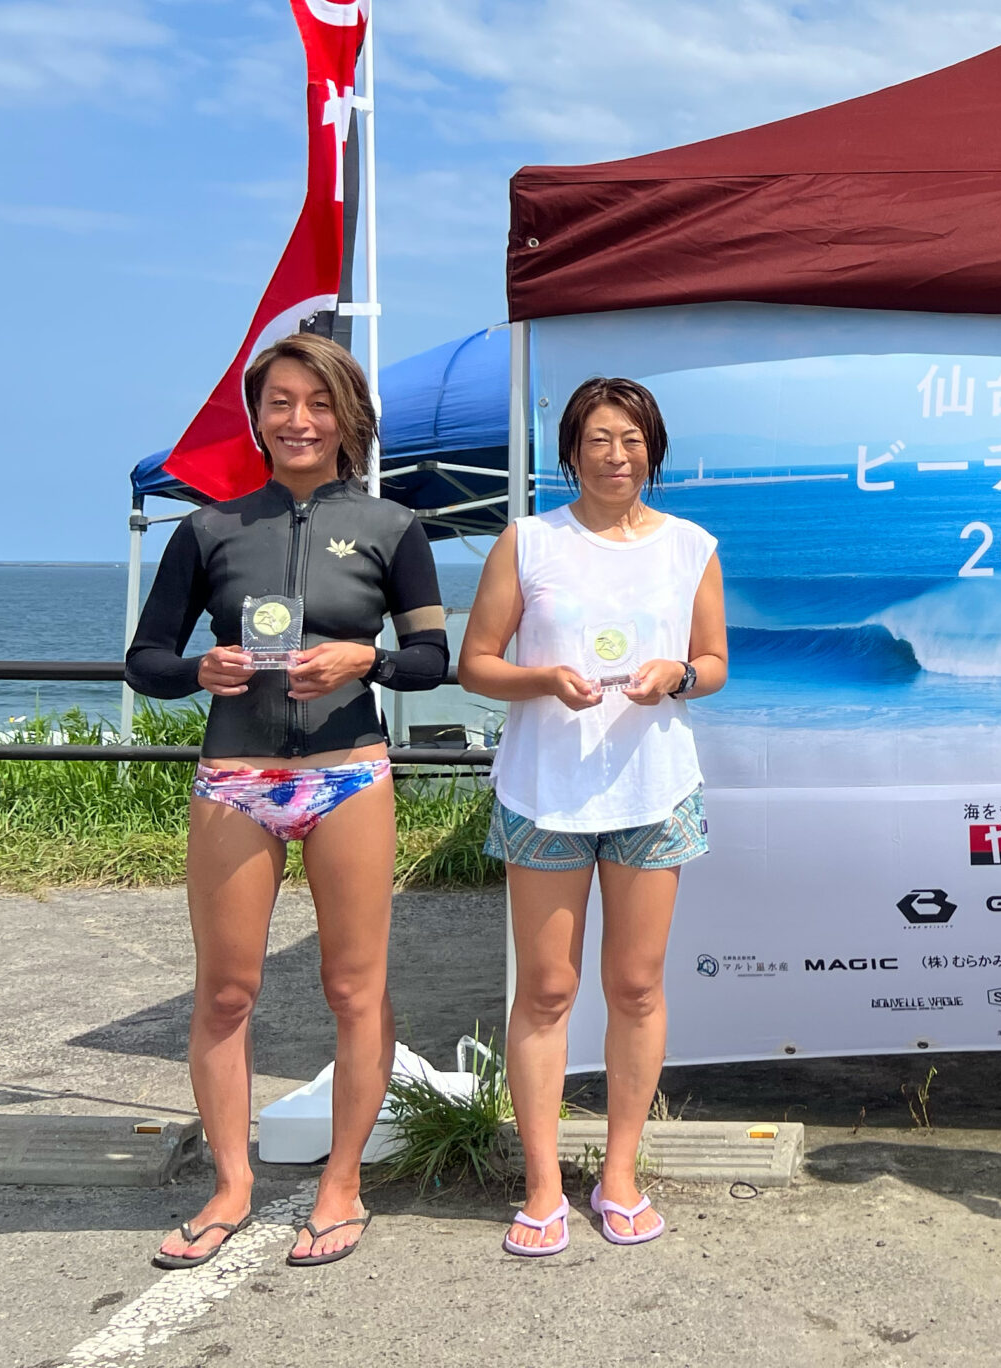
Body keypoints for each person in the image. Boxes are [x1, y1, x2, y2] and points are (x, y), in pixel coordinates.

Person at [126, 333, 449, 1270]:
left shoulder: (394, 529)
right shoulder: (209, 530)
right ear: (257, 418)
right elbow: (146, 661)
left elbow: (431, 660)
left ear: (348, 419)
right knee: (227, 991)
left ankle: (341, 1183)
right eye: (280, 402)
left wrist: (366, 659)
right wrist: (200, 669)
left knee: (354, 988)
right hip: (236, 779)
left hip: (349, 774)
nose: (299, 420)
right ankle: (231, 1185)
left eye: (318, 403)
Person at [459, 377, 728, 1258]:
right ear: (570, 451)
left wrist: (676, 676)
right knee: (546, 990)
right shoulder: (530, 541)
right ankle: (542, 1185)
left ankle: (619, 1173)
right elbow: (476, 663)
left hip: (654, 790)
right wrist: (543, 680)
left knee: (637, 987)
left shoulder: (690, 546)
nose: (618, 455)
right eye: (599, 439)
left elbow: (714, 662)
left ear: (654, 449)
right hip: (546, 792)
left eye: (633, 438)